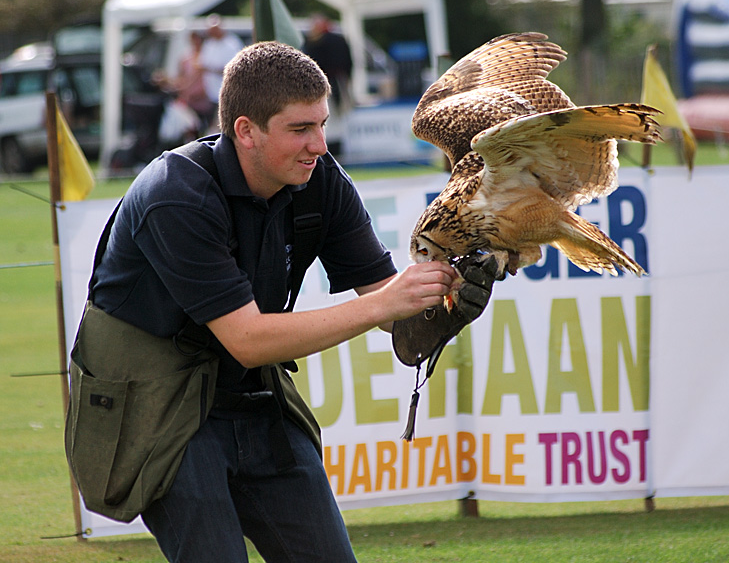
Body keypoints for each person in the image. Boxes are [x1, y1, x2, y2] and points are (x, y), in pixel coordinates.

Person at [84, 41, 463, 562]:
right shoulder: (177, 194)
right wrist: (388, 305)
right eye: (300, 129)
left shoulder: (321, 180)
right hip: (162, 411)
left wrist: (448, 293)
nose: (320, 145)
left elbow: (388, 300)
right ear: (246, 130)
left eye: (323, 124)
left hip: (255, 402)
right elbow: (248, 340)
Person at [303, 13, 353, 155]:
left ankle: (333, 150)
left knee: (331, 118)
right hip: (337, 83)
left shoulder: (315, 42)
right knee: (336, 118)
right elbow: (349, 64)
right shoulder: (338, 39)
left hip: (324, 84)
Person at [198, 14, 245, 131]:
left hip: (226, 92)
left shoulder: (232, 43)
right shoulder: (209, 44)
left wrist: (211, 69)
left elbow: (234, 68)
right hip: (210, 93)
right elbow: (201, 65)